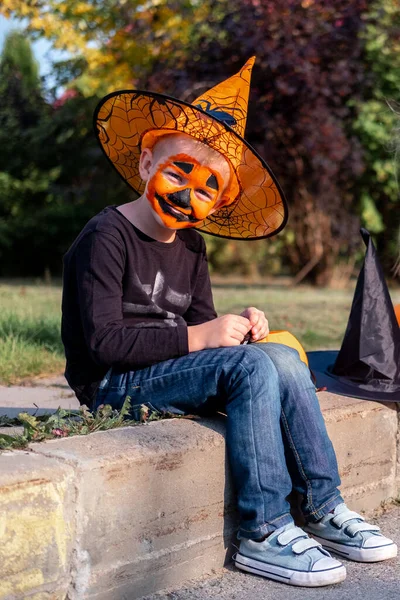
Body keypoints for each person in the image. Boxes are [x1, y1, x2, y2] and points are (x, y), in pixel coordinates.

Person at [61, 58, 397, 588]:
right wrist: (202, 338)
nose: (187, 193)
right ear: (147, 162)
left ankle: (323, 506)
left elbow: (203, 326)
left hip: (168, 369)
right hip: (111, 383)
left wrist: (236, 324)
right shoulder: (107, 234)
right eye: (178, 171)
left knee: (282, 357)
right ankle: (262, 530)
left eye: (208, 187)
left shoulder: (191, 245)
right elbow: (102, 342)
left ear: (218, 203)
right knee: (249, 369)